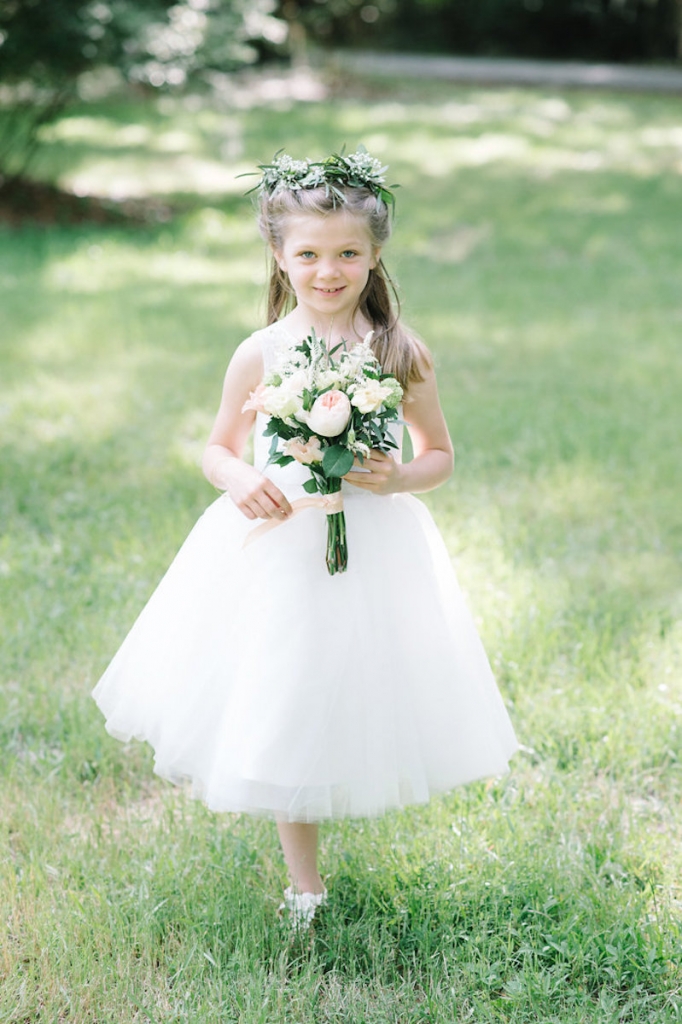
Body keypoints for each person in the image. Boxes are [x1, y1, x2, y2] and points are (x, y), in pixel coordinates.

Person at [93, 149, 518, 929]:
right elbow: (217, 446)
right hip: (278, 545)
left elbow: (442, 457)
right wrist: (235, 479)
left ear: (376, 255)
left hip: (373, 546)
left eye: (349, 253)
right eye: (311, 253)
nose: (330, 270)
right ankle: (305, 886)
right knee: (285, 690)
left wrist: (397, 478)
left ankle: (339, 813)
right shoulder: (259, 352)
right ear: (280, 257)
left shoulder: (399, 352)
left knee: (352, 687)